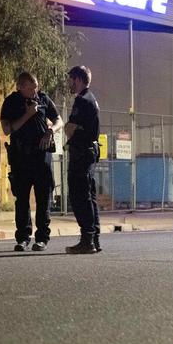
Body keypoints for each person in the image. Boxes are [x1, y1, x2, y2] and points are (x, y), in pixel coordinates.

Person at [0, 72, 63, 252]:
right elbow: (6, 129)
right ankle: (23, 237)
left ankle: (42, 237)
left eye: (36, 86)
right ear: (20, 87)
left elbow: (59, 120)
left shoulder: (43, 99)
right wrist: (28, 114)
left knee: (43, 198)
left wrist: (51, 130)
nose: (35, 90)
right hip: (21, 156)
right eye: (30, 87)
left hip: (41, 156)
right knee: (22, 199)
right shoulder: (11, 102)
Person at [64, 66, 101, 254]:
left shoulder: (82, 100)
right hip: (89, 152)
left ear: (78, 79)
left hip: (81, 154)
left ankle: (87, 240)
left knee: (80, 196)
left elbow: (69, 128)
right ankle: (94, 238)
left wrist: (69, 130)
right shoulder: (91, 99)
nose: (69, 83)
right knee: (89, 196)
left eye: (71, 79)